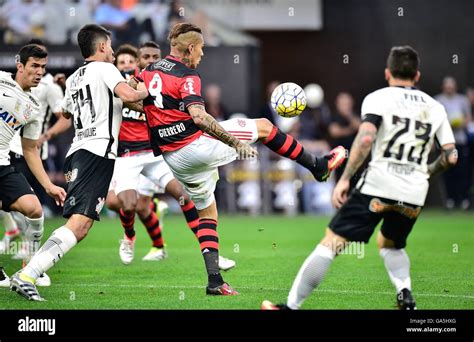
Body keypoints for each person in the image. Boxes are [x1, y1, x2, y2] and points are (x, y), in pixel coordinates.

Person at [137, 23, 346, 295]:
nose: (202, 54)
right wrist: (235, 143)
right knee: (263, 126)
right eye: (201, 49)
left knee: (207, 213)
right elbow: (199, 117)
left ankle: (215, 281)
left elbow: (134, 97)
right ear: (190, 48)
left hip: (173, 158)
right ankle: (317, 166)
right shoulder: (188, 76)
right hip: (195, 145)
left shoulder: (150, 70)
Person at [262, 46, 457, 310]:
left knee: (331, 244)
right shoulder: (436, 107)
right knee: (390, 243)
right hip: (414, 190)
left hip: (379, 184)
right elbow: (451, 156)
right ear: (417, 75)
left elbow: (365, 139)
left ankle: (289, 307)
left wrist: (345, 180)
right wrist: (426, 171)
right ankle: (405, 296)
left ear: (388, 73)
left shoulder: (377, 98)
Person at [10, 24, 148, 301]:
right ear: (101, 47)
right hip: (97, 153)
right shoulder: (107, 70)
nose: (112, 50)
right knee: (80, 224)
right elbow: (132, 96)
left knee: (80, 224)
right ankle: (28, 275)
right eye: (109, 45)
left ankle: (29, 272)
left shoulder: (74, 78)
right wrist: (145, 87)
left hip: (77, 152)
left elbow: (66, 112)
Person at [106, 43, 235, 269]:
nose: (147, 61)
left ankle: (211, 253)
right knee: (128, 205)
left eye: (152, 57)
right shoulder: (121, 87)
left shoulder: (156, 84)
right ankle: (129, 237)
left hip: (155, 152)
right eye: (144, 56)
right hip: (127, 155)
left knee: (184, 195)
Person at [1, 39, 71, 287]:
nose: (39, 72)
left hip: (4, 164)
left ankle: (29, 268)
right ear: (20, 65)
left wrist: (49, 185)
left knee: (34, 210)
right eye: (34, 66)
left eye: (43, 67)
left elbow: (31, 149)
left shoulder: (32, 106)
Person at [435, 77, 472, 210]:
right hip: (445, 142)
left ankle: (463, 200)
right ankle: (449, 200)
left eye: (452, 86)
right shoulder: (438, 100)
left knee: (462, 171)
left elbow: (468, 118)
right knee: (447, 172)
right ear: (443, 87)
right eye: (447, 86)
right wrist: (447, 124)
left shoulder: (462, 100)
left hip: (460, 142)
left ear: (455, 87)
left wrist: (460, 123)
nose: (449, 88)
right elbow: (435, 120)